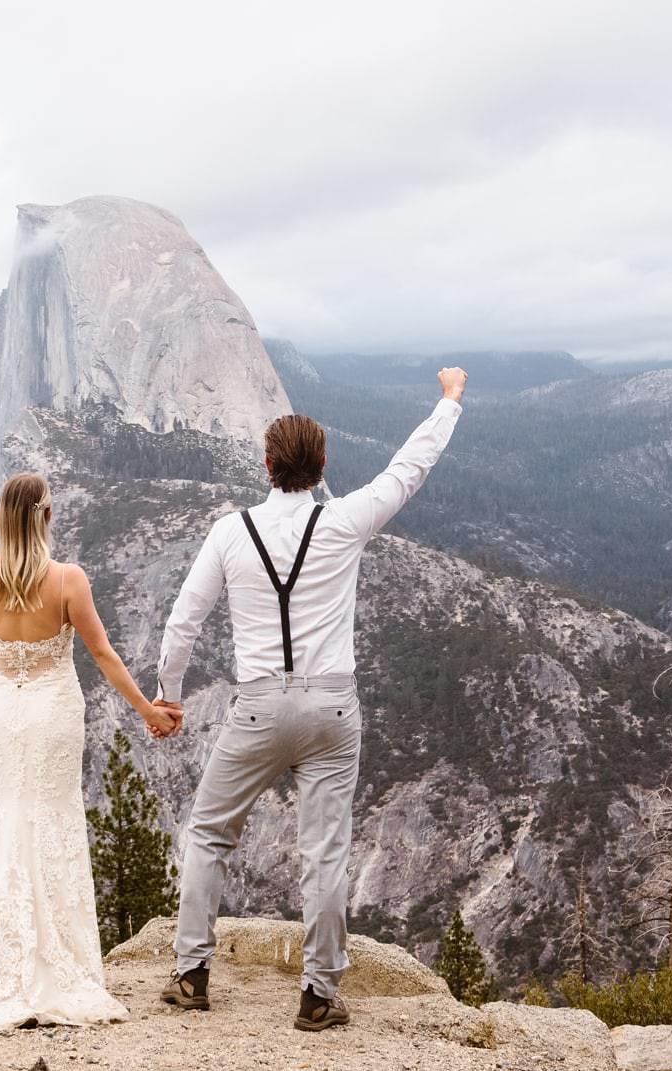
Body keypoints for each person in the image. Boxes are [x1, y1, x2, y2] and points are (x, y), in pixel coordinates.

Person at [154, 367, 467, 1032]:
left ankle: (190, 974)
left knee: (208, 834)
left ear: (266, 466)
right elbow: (408, 468)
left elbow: (184, 619)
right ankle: (318, 992)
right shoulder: (346, 520)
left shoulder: (229, 532)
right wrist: (447, 402)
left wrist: (169, 695)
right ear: (321, 465)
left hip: (258, 707)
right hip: (330, 709)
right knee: (323, 852)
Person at [0, 420, 181, 1030]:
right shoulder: (67, 581)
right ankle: (58, 966)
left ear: (1, 520)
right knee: (50, 820)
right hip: (50, 711)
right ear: (46, 518)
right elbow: (102, 655)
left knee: (1, 817)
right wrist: (149, 712)